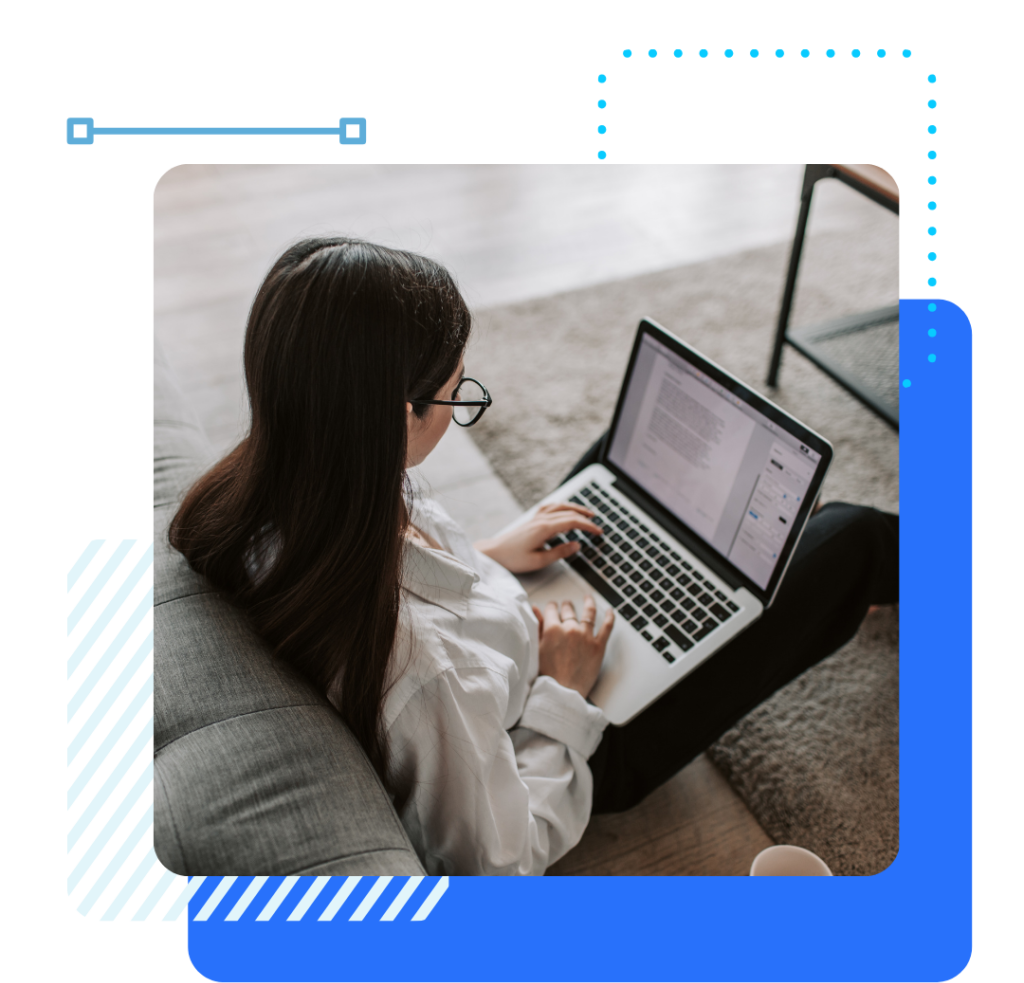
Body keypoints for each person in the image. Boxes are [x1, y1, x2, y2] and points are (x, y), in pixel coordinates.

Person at [169, 237, 899, 876]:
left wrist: (484, 557)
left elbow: (391, 580)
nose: (462, 402)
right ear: (400, 416)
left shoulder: (284, 483)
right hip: (567, 734)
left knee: (615, 478)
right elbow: (501, 863)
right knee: (850, 538)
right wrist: (568, 693)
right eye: (459, 396)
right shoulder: (426, 676)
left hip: (511, 643)